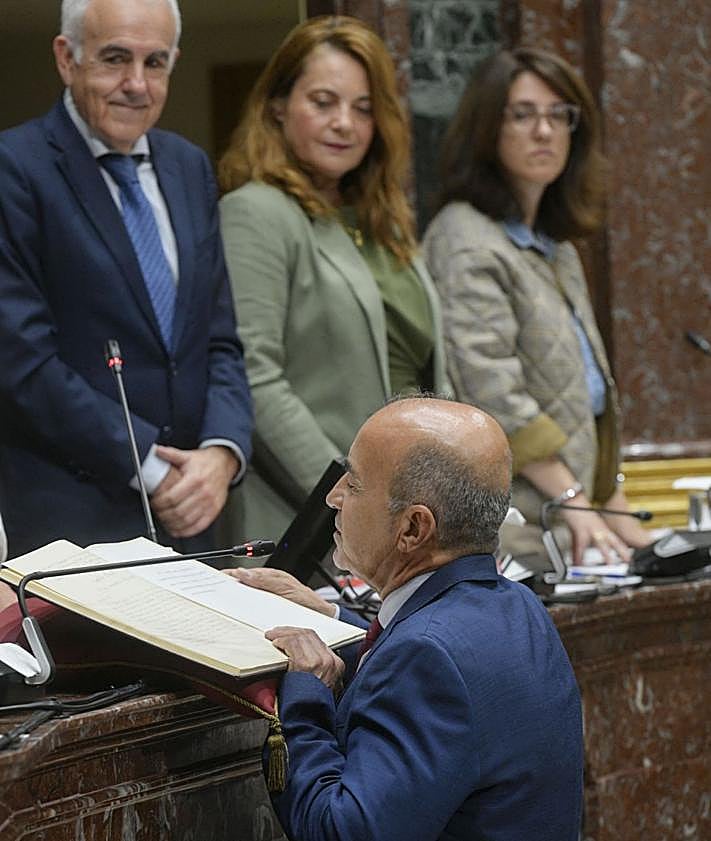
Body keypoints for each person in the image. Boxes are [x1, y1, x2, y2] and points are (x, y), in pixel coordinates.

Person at [229, 396, 583, 840]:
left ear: (414, 529)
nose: (332, 496)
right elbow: (439, 663)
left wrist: (306, 696)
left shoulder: (427, 658)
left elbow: (340, 831)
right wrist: (333, 617)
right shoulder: (519, 606)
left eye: (353, 484)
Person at [0, 0, 253, 558]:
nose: (136, 84)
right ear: (67, 59)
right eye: (115, 59)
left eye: (155, 63)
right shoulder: (14, 169)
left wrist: (221, 451)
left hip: (195, 517)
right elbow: (21, 361)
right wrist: (148, 465)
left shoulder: (189, 167)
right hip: (72, 526)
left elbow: (220, 339)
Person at [217, 16, 449, 545]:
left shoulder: (381, 222)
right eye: (323, 102)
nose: (344, 122)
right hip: (306, 522)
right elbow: (257, 378)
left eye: (363, 108)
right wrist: (350, 497)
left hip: (406, 516)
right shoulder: (255, 211)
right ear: (278, 105)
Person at [423, 48, 651, 568]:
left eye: (558, 115)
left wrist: (610, 504)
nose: (544, 130)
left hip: (574, 515)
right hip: (519, 525)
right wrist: (574, 501)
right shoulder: (467, 236)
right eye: (522, 114)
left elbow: (585, 395)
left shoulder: (558, 246)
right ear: (487, 127)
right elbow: (493, 392)